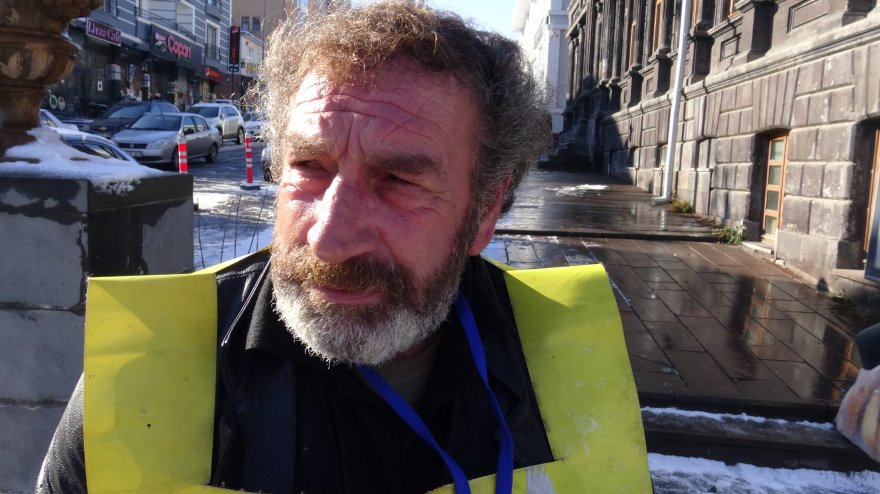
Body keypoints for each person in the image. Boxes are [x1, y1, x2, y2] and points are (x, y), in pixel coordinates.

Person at [36, 2, 650, 492]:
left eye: (399, 180)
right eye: (309, 166)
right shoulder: (148, 366)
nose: (329, 238)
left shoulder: (566, 366)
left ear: (486, 210)